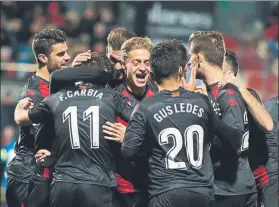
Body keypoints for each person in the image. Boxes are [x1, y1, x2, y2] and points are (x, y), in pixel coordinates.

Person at [122, 39, 246, 207]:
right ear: (181, 70)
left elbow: (128, 152)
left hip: (164, 192)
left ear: (152, 70)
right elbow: (232, 137)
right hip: (201, 193)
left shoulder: (145, 107)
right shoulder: (201, 102)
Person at [14, 52, 134, 207]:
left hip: (63, 185)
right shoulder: (112, 96)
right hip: (97, 185)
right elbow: (141, 119)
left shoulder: (56, 98)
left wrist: (18, 108)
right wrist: (127, 135)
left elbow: (20, 118)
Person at [188, 31, 257, 207]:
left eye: (191, 56)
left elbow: (235, 138)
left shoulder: (227, 93)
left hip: (230, 191)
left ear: (199, 58)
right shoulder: (207, 92)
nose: (189, 63)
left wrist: (206, 109)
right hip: (220, 187)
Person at [6, 29, 70, 207]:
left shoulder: (52, 87)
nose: (68, 57)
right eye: (61, 54)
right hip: (28, 177)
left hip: (41, 174)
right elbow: (39, 137)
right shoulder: (35, 93)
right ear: (43, 58)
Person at [221, 50, 278, 207]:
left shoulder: (250, 97)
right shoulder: (211, 96)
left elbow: (267, 126)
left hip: (262, 172)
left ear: (228, 73)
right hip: (235, 179)